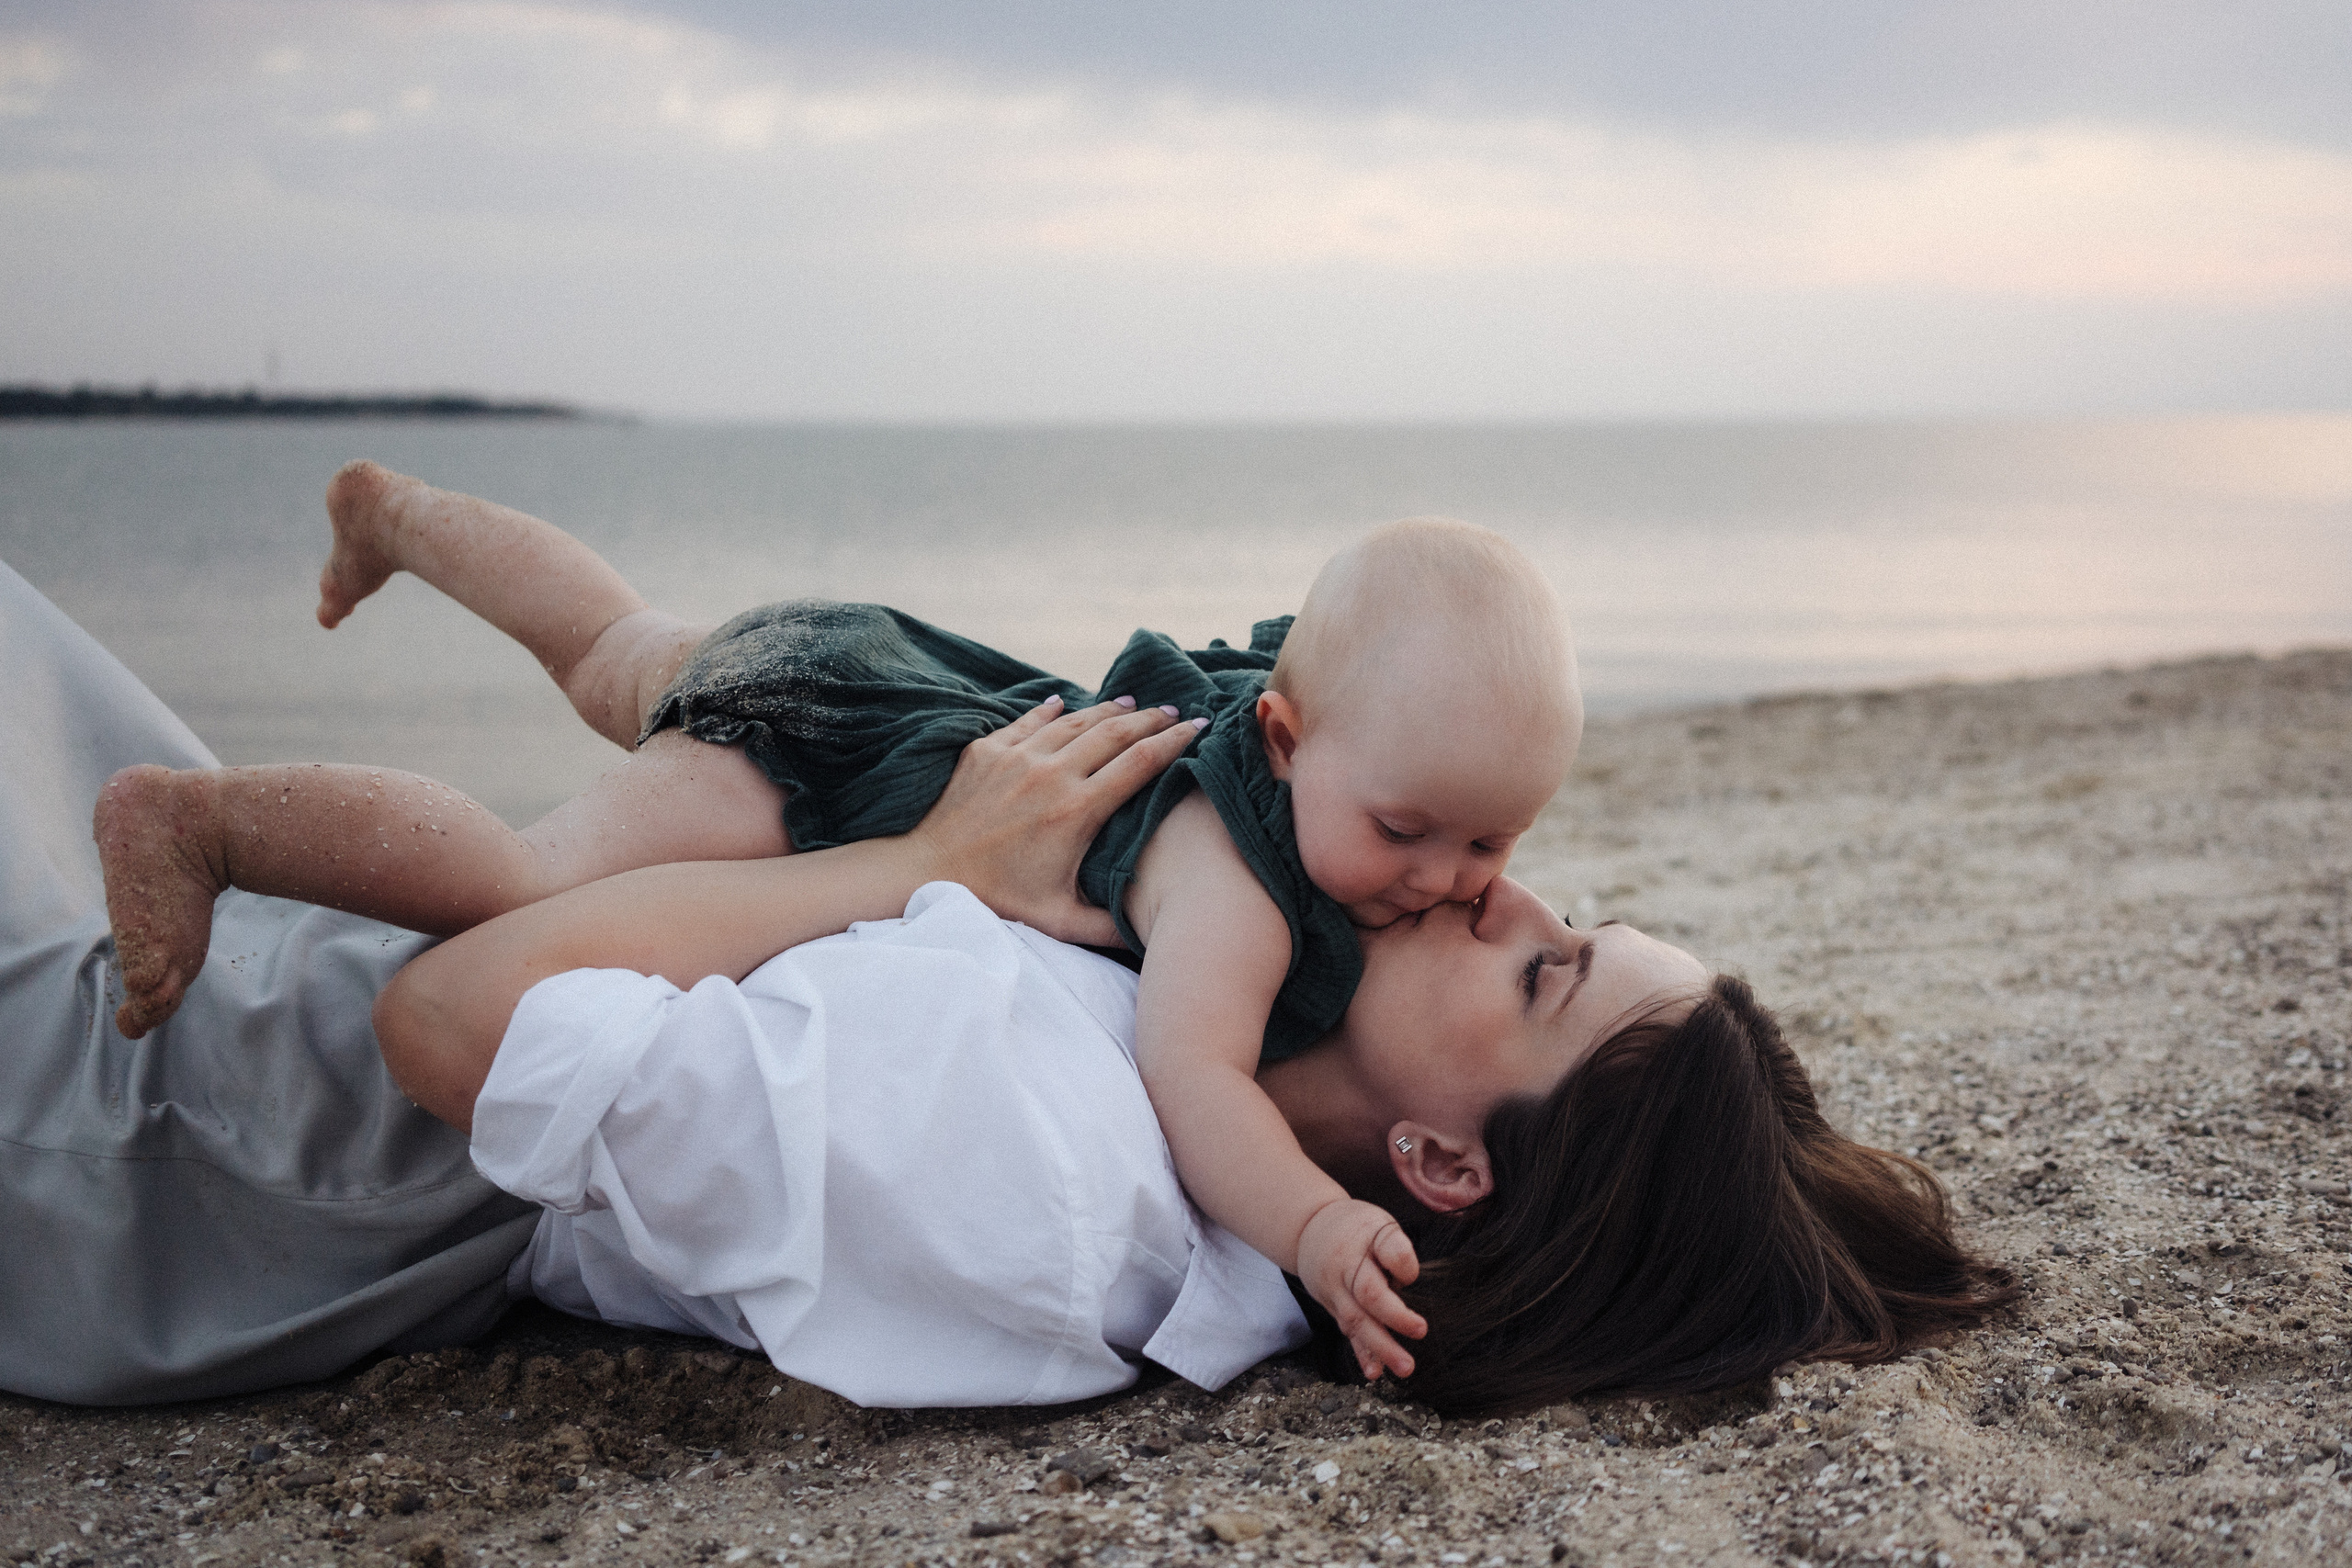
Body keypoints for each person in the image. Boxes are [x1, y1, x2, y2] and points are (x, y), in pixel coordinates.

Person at [1, 561, 2016, 1414]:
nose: (1503, 890)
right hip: (240, 994)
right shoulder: (1201, 1012)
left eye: (1544, 966)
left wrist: (918, 865)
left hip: (173, 1120)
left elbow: (447, 1022)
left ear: (1439, 1162)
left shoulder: (1039, 1155)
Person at [95, 462, 1583, 1379]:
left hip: (871, 665)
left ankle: (399, 516)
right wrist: (1315, 1224)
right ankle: (210, 820)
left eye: (1497, 840)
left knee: (618, 646)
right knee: (524, 883)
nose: (1464, 879)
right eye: (1411, 834)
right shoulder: (1243, 898)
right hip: (820, 777)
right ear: (1281, 737)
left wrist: (1409, 816)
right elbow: (1194, 1079)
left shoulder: (1329, 715)